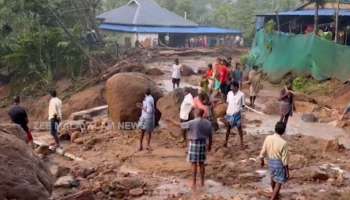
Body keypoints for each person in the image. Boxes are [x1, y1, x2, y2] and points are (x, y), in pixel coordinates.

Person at [181, 109, 213, 190]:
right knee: (201, 163)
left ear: (196, 113)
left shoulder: (192, 122)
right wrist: (209, 145)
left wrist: (171, 121)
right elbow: (210, 135)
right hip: (203, 143)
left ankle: (194, 182)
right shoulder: (207, 123)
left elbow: (181, 125)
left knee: (194, 164)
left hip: (194, 143)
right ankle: (202, 182)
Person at [259, 121, 289, 200]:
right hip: (279, 163)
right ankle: (273, 197)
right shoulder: (284, 143)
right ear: (283, 131)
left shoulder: (268, 138)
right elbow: (285, 160)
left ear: (275, 129)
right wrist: (287, 171)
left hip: (270, 162)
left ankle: (275, 195)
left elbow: (263, 151)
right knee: (278, 182)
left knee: (273, 178)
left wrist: (262, 161)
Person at [224, 81, 245, 149]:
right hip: (229, 113)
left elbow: (243, 106)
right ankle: (225, 142)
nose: (231, 88)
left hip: (237, 114)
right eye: (231, 87)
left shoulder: (241, 95)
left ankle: (242, 143)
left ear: (236, 87)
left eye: (232, 87)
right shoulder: (229, 93)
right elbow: (228, 103)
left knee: (239, 129)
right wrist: (226, 113)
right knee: (228, 128)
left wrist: (239, 111)